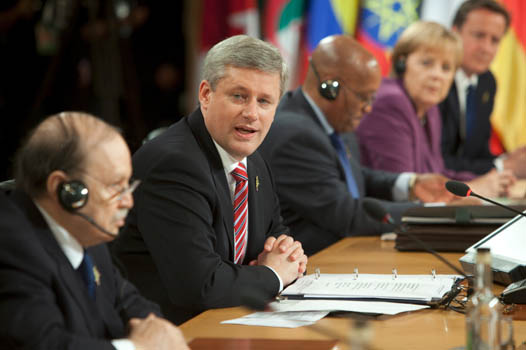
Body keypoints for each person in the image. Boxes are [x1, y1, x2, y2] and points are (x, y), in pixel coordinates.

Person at [112, 35, 308, 325]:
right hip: (166, 332)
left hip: (229, 322)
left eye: (264, 101)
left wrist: (287, 257)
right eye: (239, 96)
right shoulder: (175, 165)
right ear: (205, 94)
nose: (252, 113)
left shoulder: (253, 161)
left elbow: (278, 241)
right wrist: (273, 275)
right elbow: (200, 285)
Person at [0, 112, 188, 350]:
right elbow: (41, 343)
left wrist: (159, 332)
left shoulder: (85, 230)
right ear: (65, 189)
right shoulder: (11, 246)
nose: (128, 202)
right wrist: (136, 348)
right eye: (115, 187)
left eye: (128, 185)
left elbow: (130, 303)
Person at [258, 34, 455, 256]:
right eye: (364, 97)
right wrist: (434, 213)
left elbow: (352, 175)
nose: (368, 108)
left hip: (345, 253)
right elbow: (347, 216)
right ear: (329, 86)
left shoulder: (332, 120)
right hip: (315, 265)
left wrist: (410, 184)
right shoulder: (295, 134)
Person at [356, 21, 515, 198]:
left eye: (446, 68)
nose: (437, 75)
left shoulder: (429, 110)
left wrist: (493, 181)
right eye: (426, 63)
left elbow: (436, 173)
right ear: (402, 63)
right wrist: (476, 188)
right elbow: (407, 191)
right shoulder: (390, 103)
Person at [440, 0, 526, 177]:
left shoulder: (487, 82)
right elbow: (437, 160)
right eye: (479, 35)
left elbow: (476, 154)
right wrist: (502, 166)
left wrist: (507, 159)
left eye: (495, 40)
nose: (486, 48)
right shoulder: (436, 79)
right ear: (454, 33)